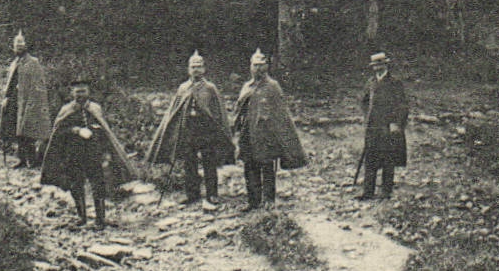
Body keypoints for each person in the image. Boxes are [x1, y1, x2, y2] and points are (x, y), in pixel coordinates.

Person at [147, 51, 234, 211]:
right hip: (188, 130)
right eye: (193, 67)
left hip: (206, 130)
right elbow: (175, 111)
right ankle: (192, 194)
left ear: (204, 69)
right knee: (189, 163)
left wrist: (219, 130)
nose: (196, 70)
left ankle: (212, 194)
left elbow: (217, 112)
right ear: (188, 69)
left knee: (209, 162)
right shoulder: (183, 88)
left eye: (199, 66)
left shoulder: (210, 88)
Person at [40, 80, 133, 228]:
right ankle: (82, 218)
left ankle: (100, 219)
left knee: (98, 185)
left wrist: (104, 149)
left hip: (93, 154)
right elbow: (58, 132)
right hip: (74, 154)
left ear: (89, 92)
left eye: (83, 91)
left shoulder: (96, 108)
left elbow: (105, 131)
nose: (80, 94)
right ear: (72, 93)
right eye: (77, 91)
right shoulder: (66, 110)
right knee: (76, 185)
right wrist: (75, 130)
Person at [232, 49, 307, 210]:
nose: (258, 69)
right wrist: (236, 127)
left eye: (261, 66)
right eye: (255, 65)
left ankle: (269, 201)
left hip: (266, 136)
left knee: (267, 168)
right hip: (248, 134)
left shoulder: (273, 86)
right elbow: (239, 109)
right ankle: (253, 201)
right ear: (250, 67)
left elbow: (281, 114)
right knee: (249, 168)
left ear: (266, 67)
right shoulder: (247, 86)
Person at [357, 50, 408, 200]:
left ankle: (386, 192)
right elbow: (364, 101)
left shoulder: (394, 83)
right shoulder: (371, 82)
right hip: (373, 127)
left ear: (386, 65)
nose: (377, 67)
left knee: (388, 159)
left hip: (388, 127)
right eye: (374, 65)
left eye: (380, 64)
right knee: (370, 159)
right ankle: (368, 192)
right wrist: (367, 117)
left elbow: (403, 106)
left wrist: (397, 124)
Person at [0, 31, 51, 168]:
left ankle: (32, 160)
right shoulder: (14, 63)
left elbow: (38, 85)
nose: (19, 46)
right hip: (16, 100)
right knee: (18, 130)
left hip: (28, 100)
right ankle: (21, 159)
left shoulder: (33, 62)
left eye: (21, 43)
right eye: (16, 43)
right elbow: (9, 84)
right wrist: (6, 98)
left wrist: (34, 102)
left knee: (29, 130)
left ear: (27, 45)